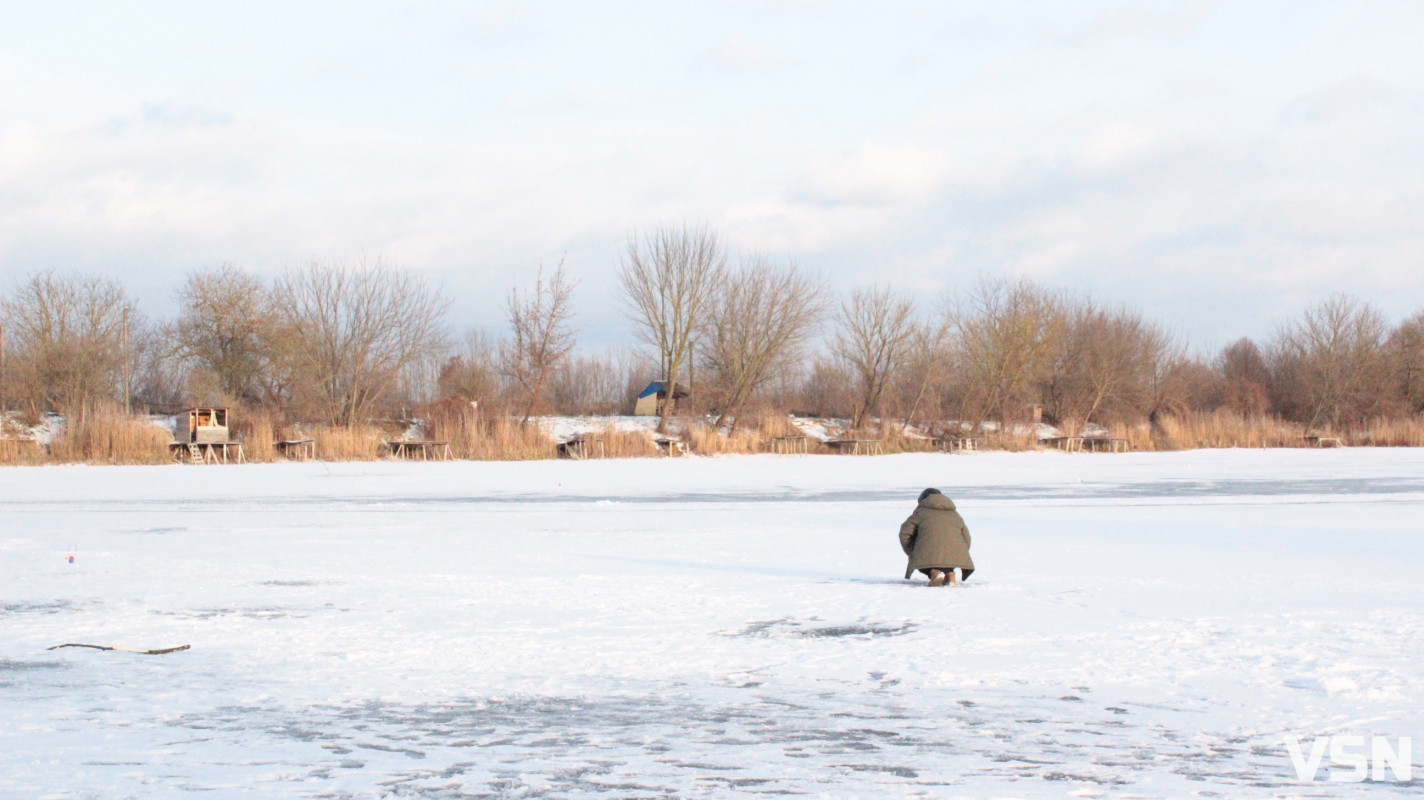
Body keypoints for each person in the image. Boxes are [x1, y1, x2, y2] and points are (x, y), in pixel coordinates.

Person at [899, 488, 974, 587]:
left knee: (924, 564)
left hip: (928, 554)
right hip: (954, 554)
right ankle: (950, 576)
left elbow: (905, 533)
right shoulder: (955, 514)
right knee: (947, 562)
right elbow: (966, 537)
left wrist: (912, 551)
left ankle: (935, 573)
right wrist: (960, 552)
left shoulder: (920, 513)